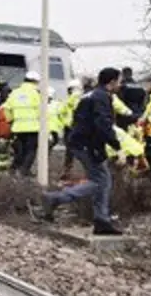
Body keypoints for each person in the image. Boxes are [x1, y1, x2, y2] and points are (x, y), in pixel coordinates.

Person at [37, 67, 124, 235]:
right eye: (119, 81)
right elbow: (103, 124)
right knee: (101, 181)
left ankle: (101, 220)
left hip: (80, 142)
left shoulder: (88, 95)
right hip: (89, 144)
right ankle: (56, 199)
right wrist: (117, 147)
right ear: (111, 82)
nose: (120, 85)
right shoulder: (102, 97)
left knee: (101, 180)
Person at [5, 71, 43, 178]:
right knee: (31, 150)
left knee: (20, 150)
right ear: (36, 82)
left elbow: (6, 108)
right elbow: (41, 110)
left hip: (17, 127)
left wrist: (10, 120)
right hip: (33, 127)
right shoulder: (36, 94)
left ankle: (14, 170)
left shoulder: (15, 93)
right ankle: (23, 171)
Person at [61, 78, 84, 177]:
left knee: (71, 150)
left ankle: (67, 170)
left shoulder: (74, 98)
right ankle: (68, 170)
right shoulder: (77, 98)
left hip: (72, 127)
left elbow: (65, 111)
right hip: (73, 126)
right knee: (72, 150)